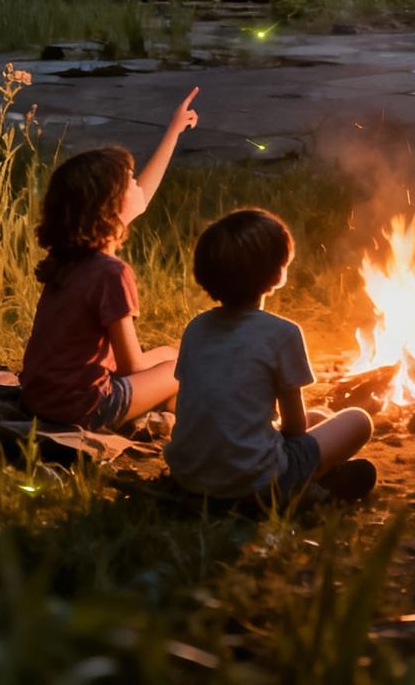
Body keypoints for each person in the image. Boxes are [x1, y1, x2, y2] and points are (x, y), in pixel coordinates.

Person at [166, 207, 377, 504]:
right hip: (252, 483)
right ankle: (303, 489)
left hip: (190, 476)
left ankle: (314, 480)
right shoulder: (282, 333)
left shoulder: (196, 328)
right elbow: (294, 427)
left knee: (323, 416)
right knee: (358, 420)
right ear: (279, 273)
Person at [19, 88, 200, 432]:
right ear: (111, 207)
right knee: (190, 364)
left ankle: (163, 412)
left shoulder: (74, 256)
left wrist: (172, 132)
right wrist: (174, 358)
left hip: (40, 398)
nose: (137, 187)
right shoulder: (110, 272)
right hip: (81, 406)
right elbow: (131, 366)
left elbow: (143, 196)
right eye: (130, 182)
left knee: (173, 352)